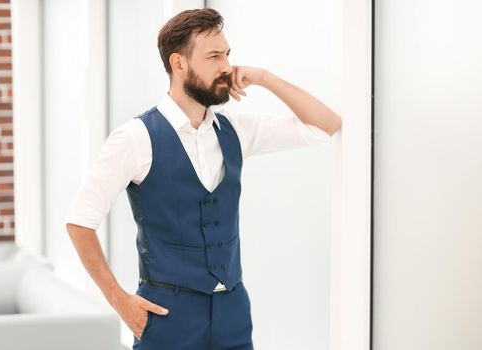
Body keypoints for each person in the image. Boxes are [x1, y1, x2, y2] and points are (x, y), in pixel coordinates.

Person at [65, 8, 341, 350]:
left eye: (227, 54)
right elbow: (80, 221)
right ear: (179, 64)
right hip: (166, 315)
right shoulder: (135, 138)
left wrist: (264, 77)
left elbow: (325, 125)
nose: (226, 66)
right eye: (213, 56)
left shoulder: (236, 130)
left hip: (233, 313)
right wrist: (119, 300)